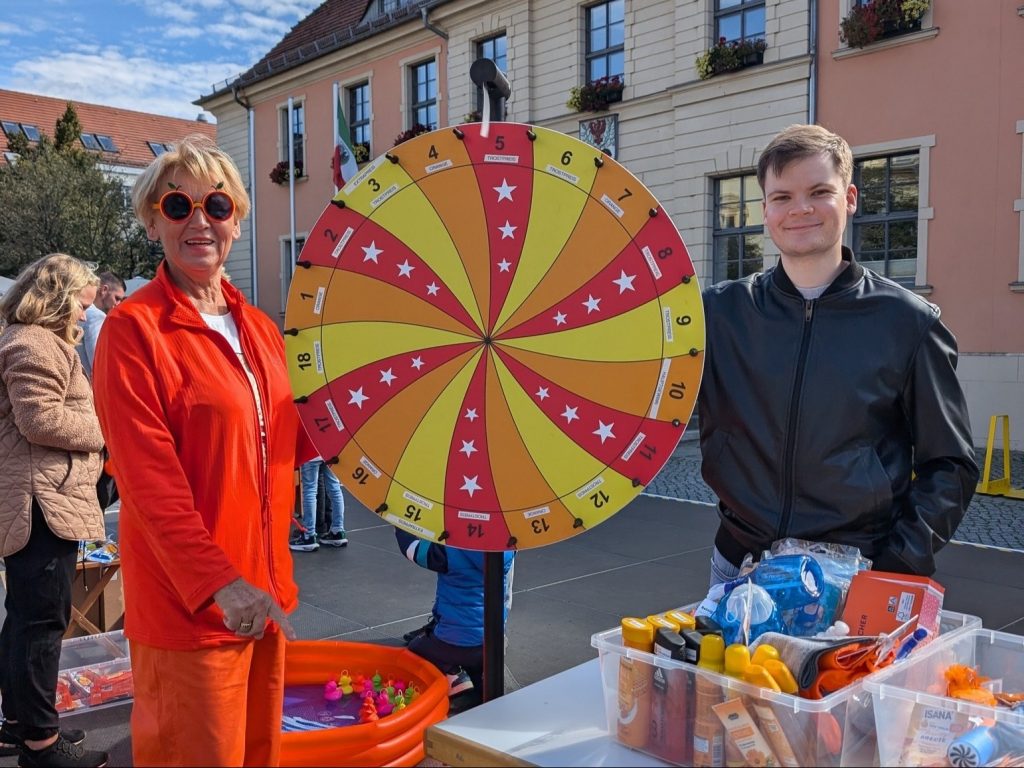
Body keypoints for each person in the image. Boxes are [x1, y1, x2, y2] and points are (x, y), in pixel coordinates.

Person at [91, 134, 315, 767]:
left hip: (266, 601)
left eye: (215, 206)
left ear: (237, 221)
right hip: (195, 613)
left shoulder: (260, 327)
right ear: (153, 219)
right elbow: (145, 482)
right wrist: (221, 584)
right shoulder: (135, 330)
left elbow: (282, 443)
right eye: (177, 205)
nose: (198, 221)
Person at [698, 123, 978, 587]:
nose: (800, 209)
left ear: (849, 198)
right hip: (737, 565)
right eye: (782, 196)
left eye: (819, 191)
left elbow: (949, 464)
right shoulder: (719, 314)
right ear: (764, 209)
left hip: (853, 575)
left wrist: (897, 567)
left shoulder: (909, 322)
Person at [0, 253, 109, 768]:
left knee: (24, 620)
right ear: (60, 300)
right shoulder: (33, 340)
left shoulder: (29, 339)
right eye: (83, 307)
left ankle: (19, 725)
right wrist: (106, 430)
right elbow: (40, 419)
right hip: (41, 504)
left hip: (40, 499)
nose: (86, 318)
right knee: (41, 624)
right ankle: (41, 746)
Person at [395, 528, 514, 703]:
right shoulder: (508, 549)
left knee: (416, 648)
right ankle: (481, 679)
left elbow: (412, 549)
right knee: (475, 657)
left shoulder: (447, 549)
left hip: (451, 644)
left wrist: (400, 525)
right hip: (490, 645)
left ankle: (453, 674)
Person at [290, 458, 347, 551]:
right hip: (330, 451)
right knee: (335, 488)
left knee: (310, 490)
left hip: (312, 453)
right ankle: (338, 531)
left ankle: (309, 536)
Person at [76, 271, 125, 380]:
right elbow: (98, 361)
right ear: (104, 290)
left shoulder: (77, 312)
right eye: (117, 298)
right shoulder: (96, 316)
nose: (118, 304)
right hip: (89, 388)